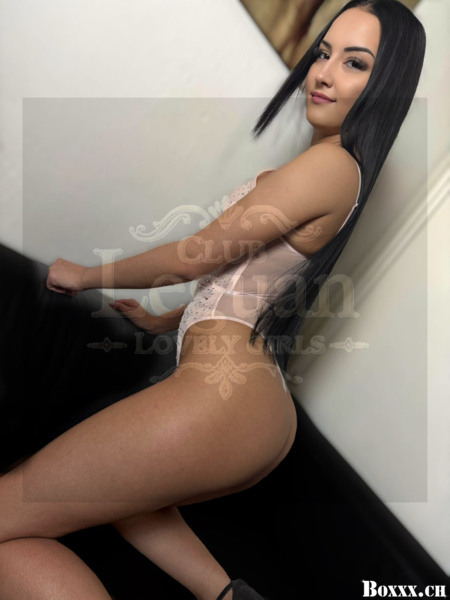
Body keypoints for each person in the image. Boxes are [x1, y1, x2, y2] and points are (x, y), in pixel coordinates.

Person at [0, 1, 425, 598]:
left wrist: (88, 275)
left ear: (387, 85)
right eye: (323, 52)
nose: (324, 73)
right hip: (248, 405)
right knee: (119, 501)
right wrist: (165, 320)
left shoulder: (331, 166)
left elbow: (195, 255)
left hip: (226, 400)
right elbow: (251, 280)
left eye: (354, 63)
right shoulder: (330, 169)